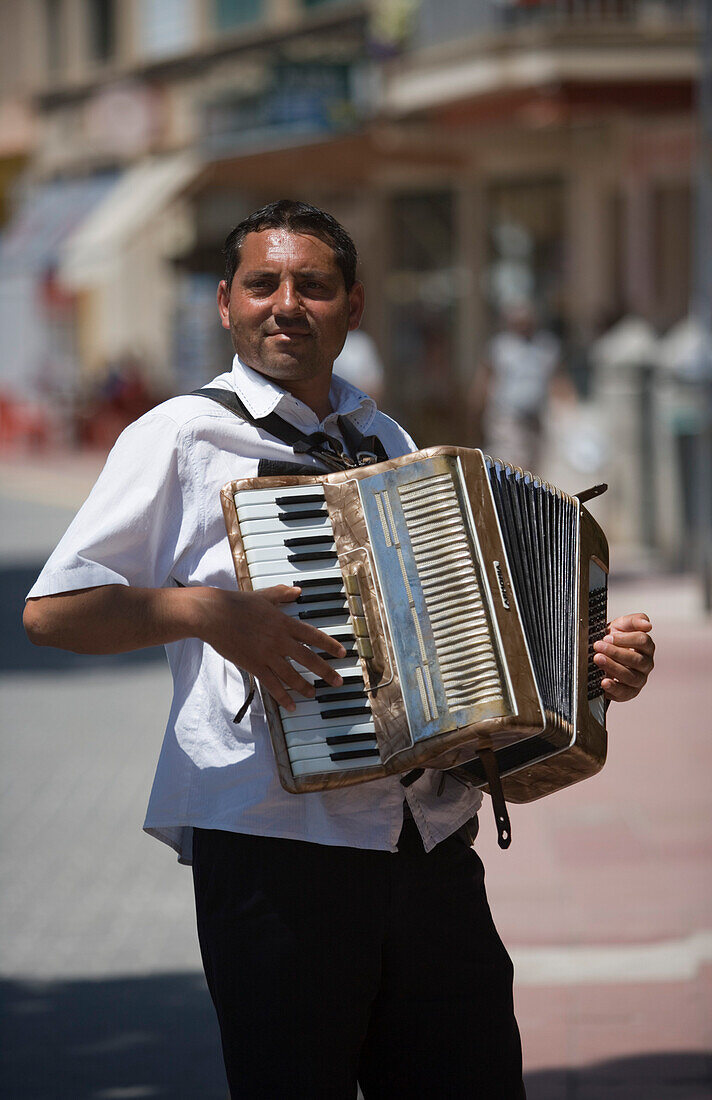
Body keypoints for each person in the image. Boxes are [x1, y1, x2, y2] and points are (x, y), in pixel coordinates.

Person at [23, 200, 655, 1100]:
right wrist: (207, 612)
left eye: (313, 286)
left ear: (351, 307)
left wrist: (586, 670)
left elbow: (466, 637)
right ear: (225, 303)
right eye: (263, 284)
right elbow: (54, 612)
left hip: (424, 837)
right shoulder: (179, 437)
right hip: (275, 844)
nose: (287, 303)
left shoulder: (386, 439)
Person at [469, 301, 574, 472]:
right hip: (507, 415)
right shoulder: (500, 347)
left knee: (535, 463)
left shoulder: (546, 345)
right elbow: (485, 377)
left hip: (535, 416)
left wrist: (568, 405)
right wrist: (476, 406)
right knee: (515, 461)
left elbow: (558, 377)